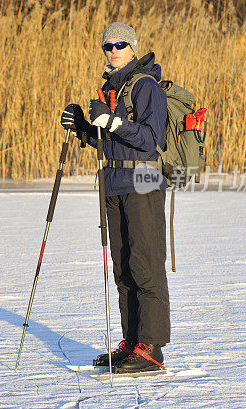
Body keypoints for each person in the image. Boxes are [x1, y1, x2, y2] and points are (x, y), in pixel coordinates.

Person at [60, 22, 170, 374]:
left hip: (143, 180)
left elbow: (152, 139)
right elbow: (111, 140)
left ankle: (151, 348)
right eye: (107, 46)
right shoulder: (111, 88)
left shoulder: (145, 85)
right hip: (115, 180)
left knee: (145, 265)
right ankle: (132, 342)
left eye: (120, 44)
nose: (113, 51)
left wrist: (111, 122)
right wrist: (83, 129)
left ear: (133, 47)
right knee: (122, 267)